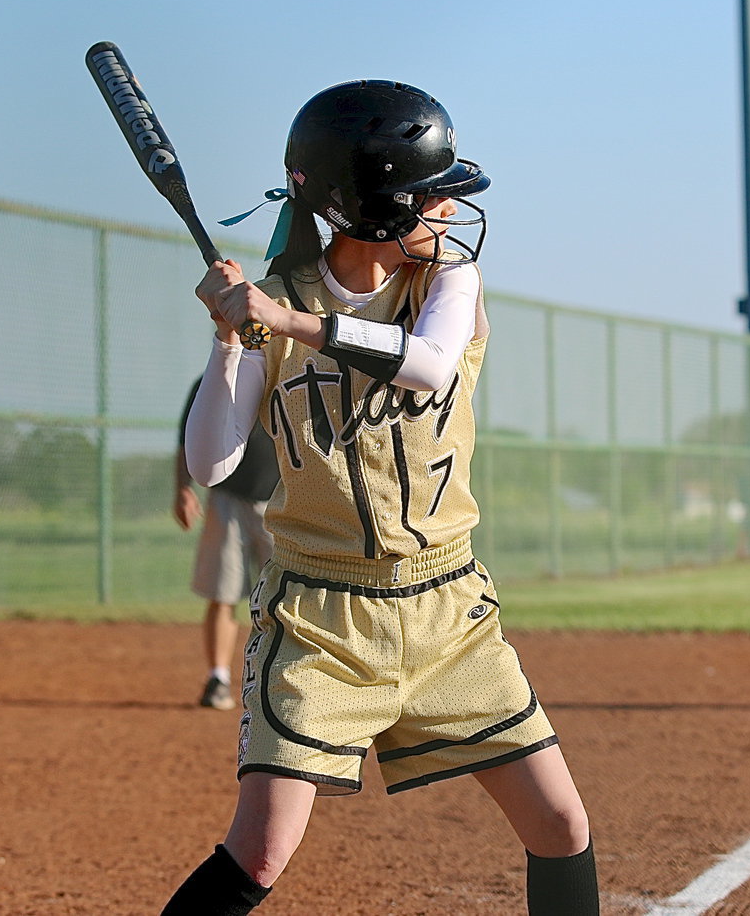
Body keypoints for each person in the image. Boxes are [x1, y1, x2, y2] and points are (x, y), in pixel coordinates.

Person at [165, 80, 599, 915]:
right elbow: (212, 462)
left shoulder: (449, 282)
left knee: (560, 821)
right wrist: (228, 340)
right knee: (259, 849)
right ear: (374, 207)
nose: (451, 209)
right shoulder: (276, 302)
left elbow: (428, 364)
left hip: (448, 610)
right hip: (320, 620)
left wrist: (289, 324)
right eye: (434, 195)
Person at [174, 378, 278, 710]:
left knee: (285, 599)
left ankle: (280, 681)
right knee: (223, 592)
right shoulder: (215, 379)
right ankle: (218, 678)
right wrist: (183, 488)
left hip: (282, 502)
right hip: (227, 496)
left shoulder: (288, 373)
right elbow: (188, 438)